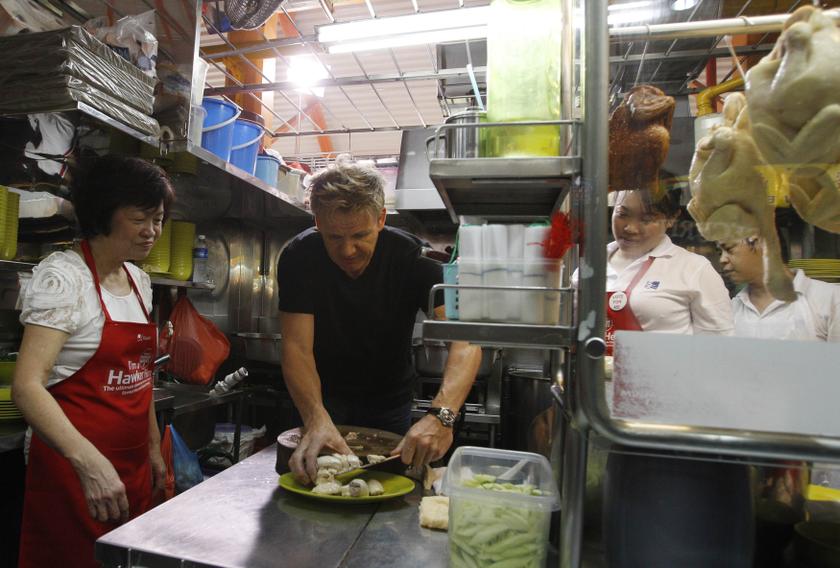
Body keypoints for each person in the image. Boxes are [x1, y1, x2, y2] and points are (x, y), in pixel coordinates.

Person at [12, 155, 175, 568]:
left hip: (132, 466)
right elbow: (27, 386)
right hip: (75, 471)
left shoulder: (138, 280)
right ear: (106, 212)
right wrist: (88, 463)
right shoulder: (65, 277)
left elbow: (141, 375)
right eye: (141, 218)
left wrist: (153, 448)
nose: (153, 232)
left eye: (158, 219)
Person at [277, 156, 481, 484]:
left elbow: (465, 338)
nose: (347, 250)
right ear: (317, 222)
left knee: (383, 489)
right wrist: (315, 417)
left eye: (359, 235)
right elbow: (297, 348)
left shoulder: (415, 259)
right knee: (312, 486)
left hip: (388, 403)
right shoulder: (298, 258)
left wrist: (441, 416)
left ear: (381, 218)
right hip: (318, 397)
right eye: (333, 237)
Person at [579, 189, 751, 568]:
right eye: (623, 214)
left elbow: (721, 353)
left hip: (662, 429)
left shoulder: (691, 269)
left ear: (671, 220)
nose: (632, 227)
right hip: (593, 419)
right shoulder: (590, 265)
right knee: (592, 532)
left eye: (648, 218)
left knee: (648, 530)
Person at [718, 236, 840, 342]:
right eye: (720, 252)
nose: (722, 259)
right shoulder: (732, 309)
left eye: (729, 250)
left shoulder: (830, 300)